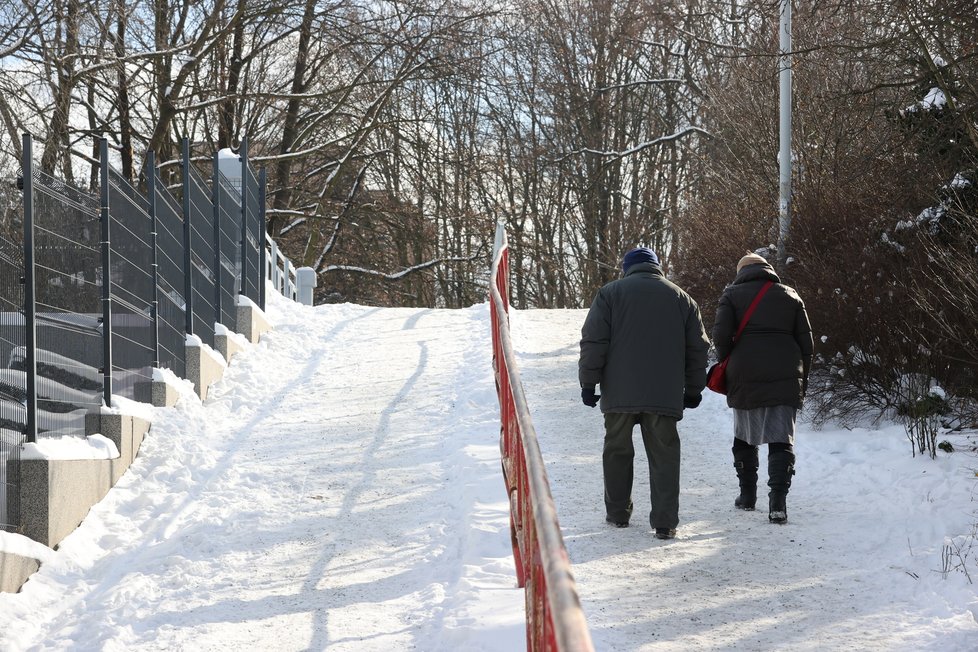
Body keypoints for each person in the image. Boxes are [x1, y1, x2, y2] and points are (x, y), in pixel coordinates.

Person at [579, 247, 710, 540]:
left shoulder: (609, 294)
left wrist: (588, 383)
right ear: (657, 267)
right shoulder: (682, 298)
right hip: (663, 395)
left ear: (627, 268)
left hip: (619, 394)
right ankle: (665, 523)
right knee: (664, 456)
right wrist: (693, 388)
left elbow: (593, 341)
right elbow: (698, 348)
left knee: (616, 451)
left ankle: (617, 514)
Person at [712, 252, 813, 524]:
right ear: (768, 270)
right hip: (786, 371)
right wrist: (802, 379)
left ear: (741, 272)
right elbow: (807, 344)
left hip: (745, 372)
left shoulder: (731, 295)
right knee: (782, 438)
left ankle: (747, 496)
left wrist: (728, 361)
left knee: (745, 434)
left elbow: (720, 337)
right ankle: (777, 503)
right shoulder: (791, 295)